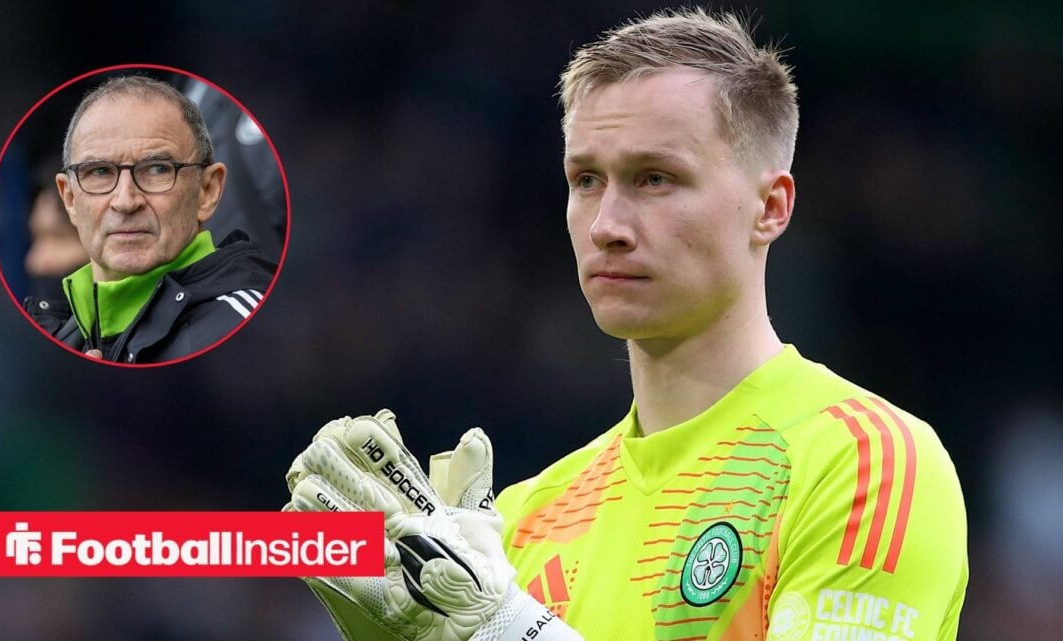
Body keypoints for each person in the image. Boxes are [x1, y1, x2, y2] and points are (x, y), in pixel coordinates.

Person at [284, 8, 967, 641]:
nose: (607, 225)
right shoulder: (515, 525)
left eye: (655, 179)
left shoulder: (866, 461)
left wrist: (506, 628)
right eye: (586, 180)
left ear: (770, 207)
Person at [29, 75, 276, 364]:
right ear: (69, 199)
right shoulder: (57, 341)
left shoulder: (249, 333)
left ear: (207, 191)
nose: (125, 201)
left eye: (157, 169)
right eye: (99, 172)